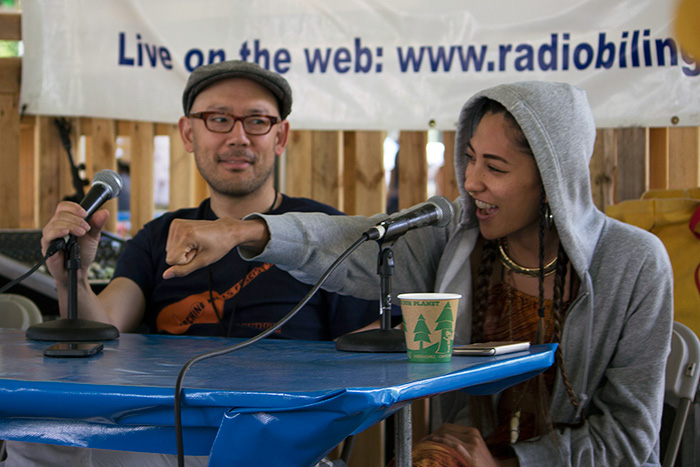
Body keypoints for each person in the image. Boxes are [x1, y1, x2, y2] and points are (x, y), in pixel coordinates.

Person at [163, 81, 674, 466]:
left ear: (552, 181)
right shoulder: (455, 240)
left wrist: (508, 462)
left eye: (495, 168)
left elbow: (630, 440)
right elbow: (349, 239)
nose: (470, 181)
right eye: (470, 159)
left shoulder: (634, 264)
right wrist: (243, 233)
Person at [2, 61, 380, 466]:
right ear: (188, 133)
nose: (238, 137)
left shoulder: (325, 234)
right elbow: (105, 328)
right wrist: (70, 280)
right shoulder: (159, 235)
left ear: (281, 136)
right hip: (160, 432)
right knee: (34, 438)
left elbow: (369, 347)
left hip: (273, 437)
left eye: (256, 121)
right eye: (218, 119)